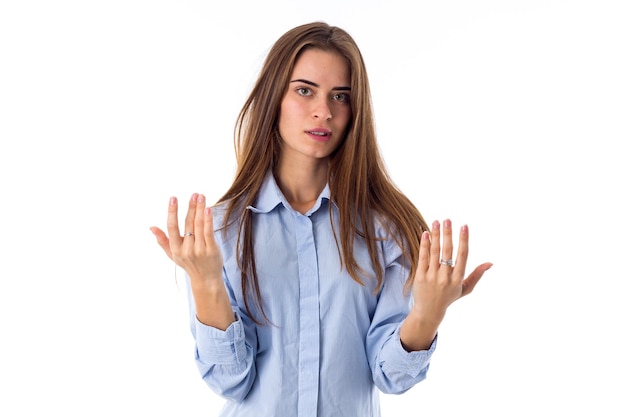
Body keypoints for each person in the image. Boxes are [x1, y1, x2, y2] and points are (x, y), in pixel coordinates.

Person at [150, 21, 492, 417]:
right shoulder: (221, 231)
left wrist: (428, 314)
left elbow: (391, 377)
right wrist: (207, 281)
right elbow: (230, 380)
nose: (323, 111)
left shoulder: (386, 230)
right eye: (304, 90)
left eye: (341, 96)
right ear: (272, 98)